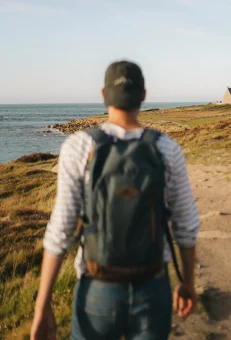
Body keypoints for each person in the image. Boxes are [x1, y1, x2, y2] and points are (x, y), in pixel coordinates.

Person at [31, 60, 200, 340]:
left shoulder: (79, 146)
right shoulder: (166, 149)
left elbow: (60, 230)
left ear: (103, 95)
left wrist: (42, 305)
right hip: (152, 287)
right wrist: (187, 284)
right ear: (143, 96)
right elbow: (186, 225)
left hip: (97, 289)